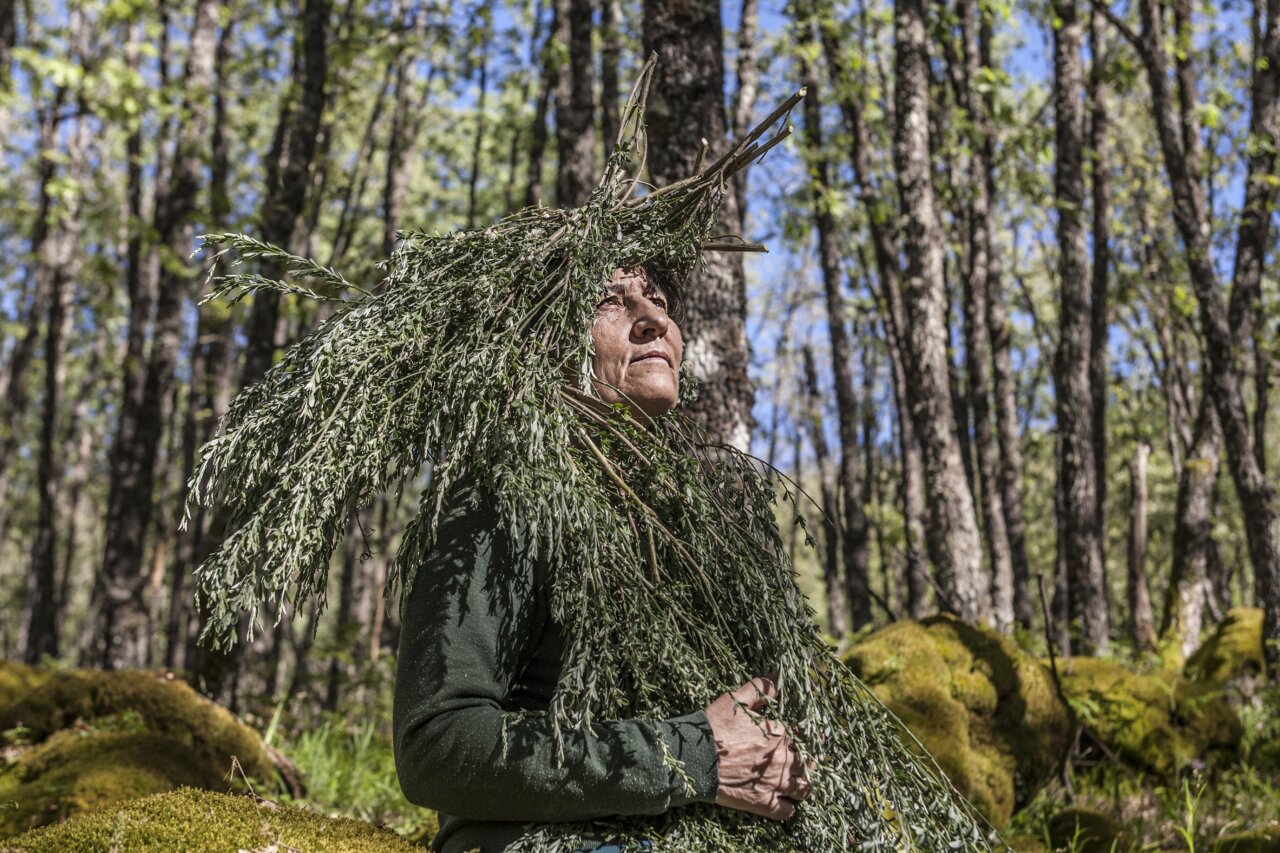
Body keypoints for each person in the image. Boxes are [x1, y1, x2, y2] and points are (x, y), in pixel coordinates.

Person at [393, 263, 812, 853]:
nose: (655, 320)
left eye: (659, 300)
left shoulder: (694, 528)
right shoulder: (505, 496)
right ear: (545, 343)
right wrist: (692, 755)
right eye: (611, 302)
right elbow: (436, 746)